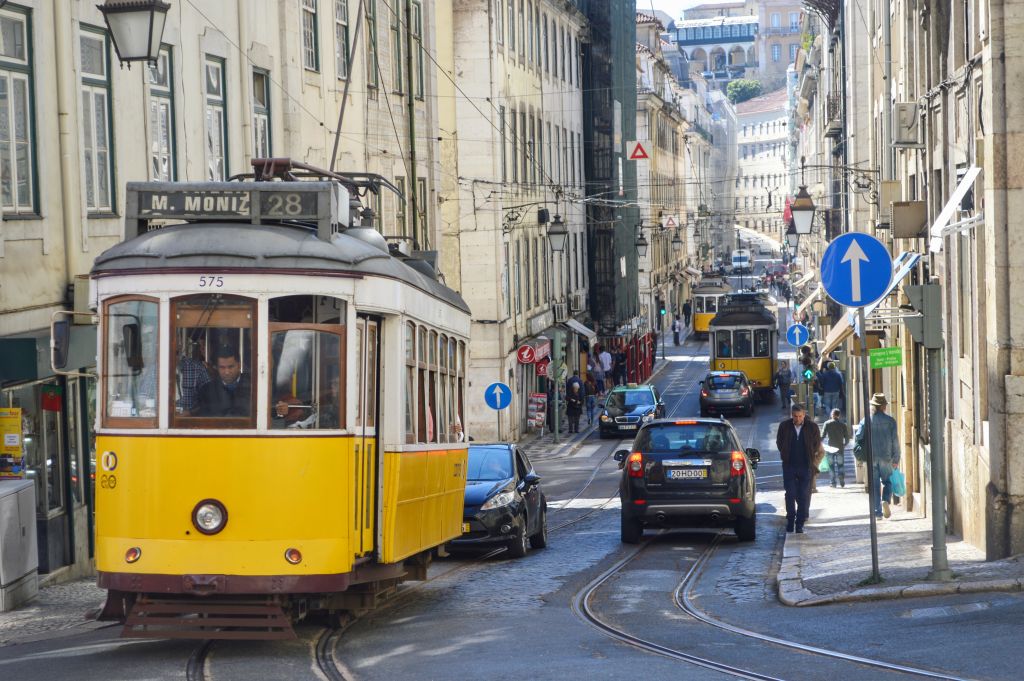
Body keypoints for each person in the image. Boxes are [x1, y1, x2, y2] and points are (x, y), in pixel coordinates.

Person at [775, 403, 823, 533]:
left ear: (804, 415)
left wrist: (810, 456)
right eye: (795, 416)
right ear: (792, 415)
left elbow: (816, 443)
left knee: (803, 494)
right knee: (790, 494)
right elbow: (779, 442)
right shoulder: (784, 426)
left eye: (800, 416)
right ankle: (790, 521)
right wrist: (785, 453)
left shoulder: (812, 427)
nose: (797, 419)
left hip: (805, 466)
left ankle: (800, 523)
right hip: (789, 465)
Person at [855, 393, 901, 518]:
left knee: (874, 485)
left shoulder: (865, 421)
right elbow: (895, 441)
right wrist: (896, 458)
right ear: (884, 407)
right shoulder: (891, 421)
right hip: (886, 457)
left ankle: (877, 512)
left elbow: (858, 437)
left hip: (871, 457)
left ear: (873, 407)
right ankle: (885, 499)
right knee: (888, 482)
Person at [195, 347, 252, 417]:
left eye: (231, 367)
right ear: (216, 368)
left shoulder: (253, 386)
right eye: (222, 367)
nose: (227, 372)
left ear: (239, 366)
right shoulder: (207, 391)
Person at [822, 408, 851, 487]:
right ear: (839, 415)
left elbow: (822, 436)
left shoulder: (827, 423)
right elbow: (847, 439)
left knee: (831, 466)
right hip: (840, 448)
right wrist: (844, 445)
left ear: (832, 414)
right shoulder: (843, 425)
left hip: (830, 448)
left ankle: (833, 483)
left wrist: (818, 444)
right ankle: (841, 478)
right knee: (840, 465)